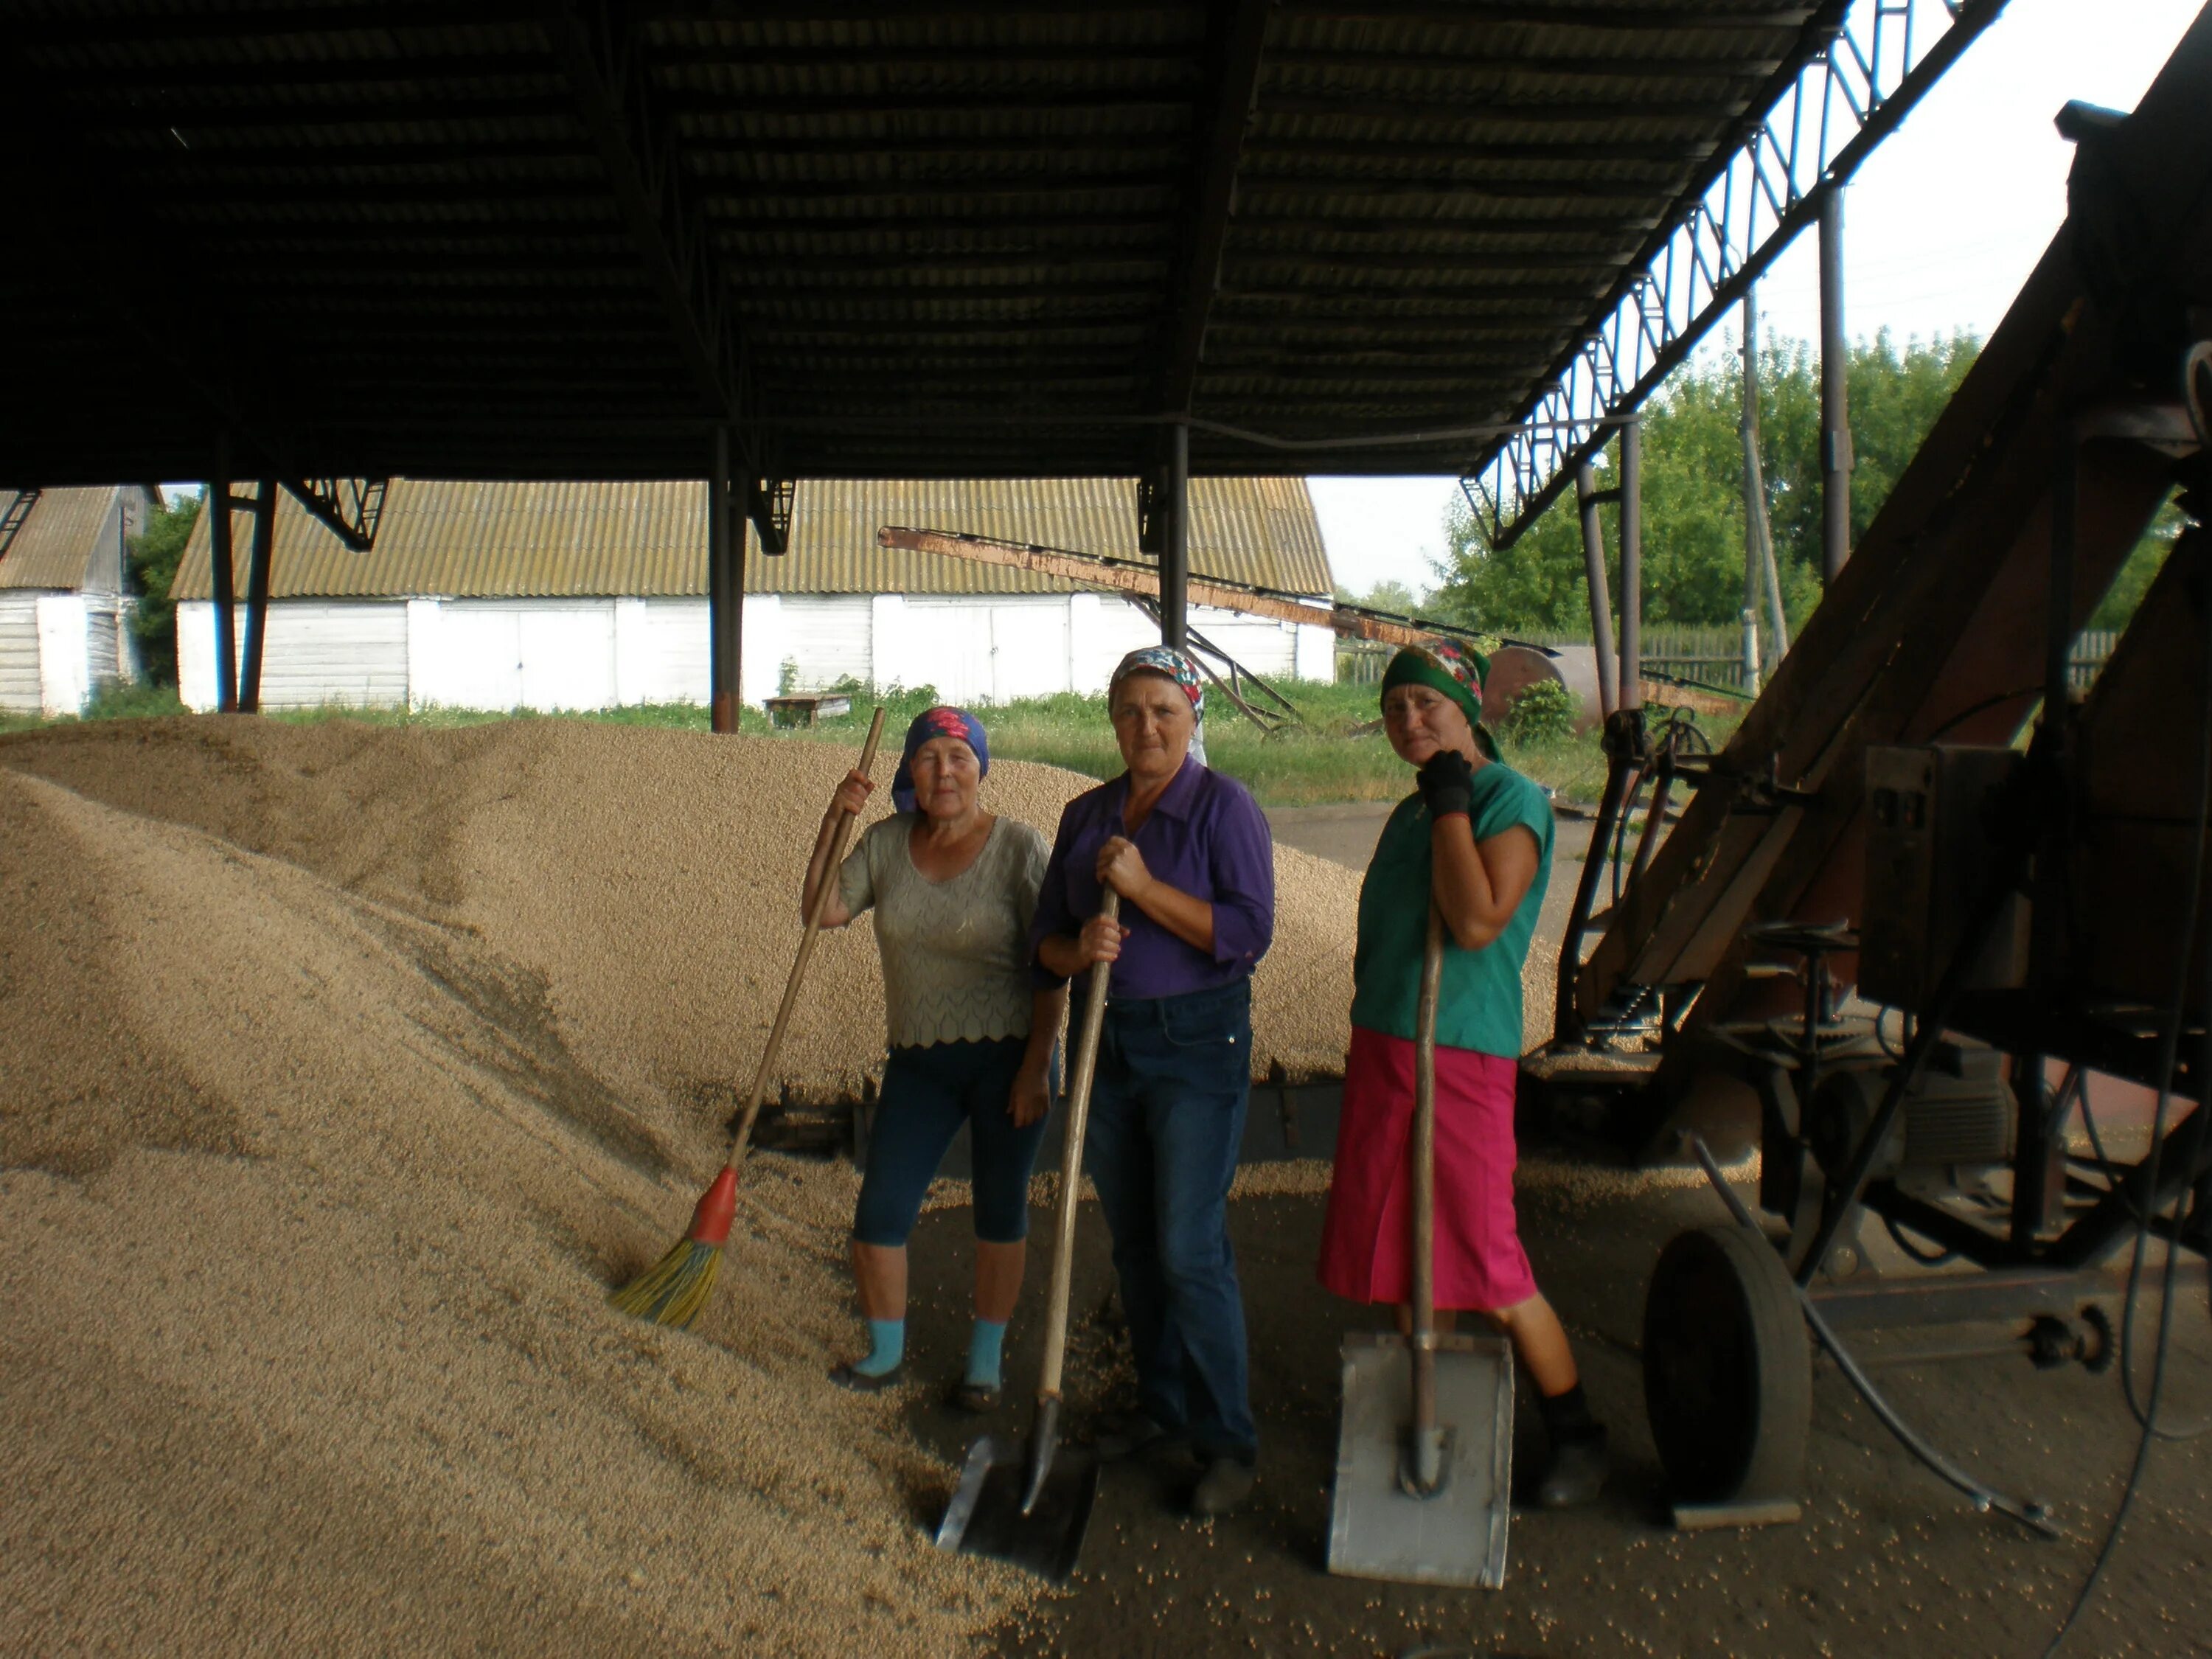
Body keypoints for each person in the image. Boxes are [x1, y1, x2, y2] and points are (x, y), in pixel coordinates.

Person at [1315, 639, 1609, 1508]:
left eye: (1429, 703)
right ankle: (1422, 1418)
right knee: (1401, 1243)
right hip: (1389, 1045)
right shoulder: (1412, 811)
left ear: (1468, 708)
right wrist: (1434, 806)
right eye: (1396, 706)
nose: (1410, 720)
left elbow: (1479, 922)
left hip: (1461, 1047)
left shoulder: (1505, 798)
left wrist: (1453, 808)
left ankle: (1579, 1433)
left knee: (1486, 1250)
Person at [1028, 646, 1276, 1520]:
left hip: (1198, 1041)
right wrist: (1077, 950)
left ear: (1192, 716)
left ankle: (1227, 1440)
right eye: (1131, 710)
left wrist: (1144, 889)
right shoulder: (1085, 814)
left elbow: (1247, 934)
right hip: (1107, 1042)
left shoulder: (1222, 806)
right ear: (1112, 718)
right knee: (1133, 1241)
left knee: (1187, 1244)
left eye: (1164, 710)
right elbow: (1045, 945)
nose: (1147, 727)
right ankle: (1161, 1406)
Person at [802, 705, 1063, 1411]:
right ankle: (884, 1352)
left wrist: (1038, 1065)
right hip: (920, 1059)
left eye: (959, 758)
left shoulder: (1018, 848)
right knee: (880, 1212)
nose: (944, 772)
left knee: (998, 1210)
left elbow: (1050, 964)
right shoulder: (885, 844)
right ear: (909, 772)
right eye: (928, 759)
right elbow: (821, 910)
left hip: (1011, 1060)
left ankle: (984, 1364)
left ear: (981, 769)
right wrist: (836, 820)